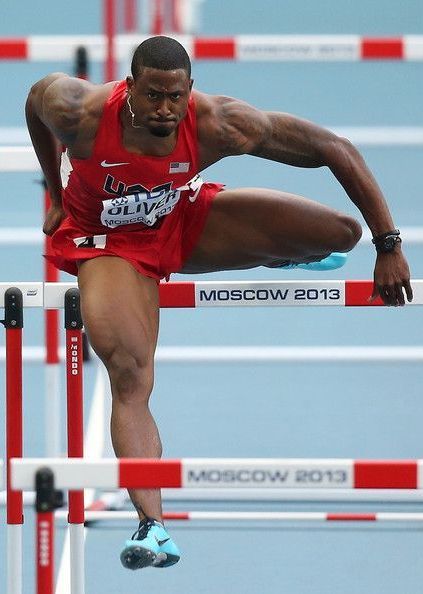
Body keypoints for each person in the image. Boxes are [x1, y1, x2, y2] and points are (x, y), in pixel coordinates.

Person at [25, 35, 412, 570]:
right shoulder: (80, 111)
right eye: (153, 95)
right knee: (131, 377)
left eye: (175, 97)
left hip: (181, 221)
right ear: (129, 86)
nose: (165, 109)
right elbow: (33, 102)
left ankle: (271, 253)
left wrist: (388, 244)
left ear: (191, 91)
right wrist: (55, 188)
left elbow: (335, 148)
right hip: (110, 245)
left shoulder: (221, 123)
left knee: (342, 233)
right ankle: (153, 526)